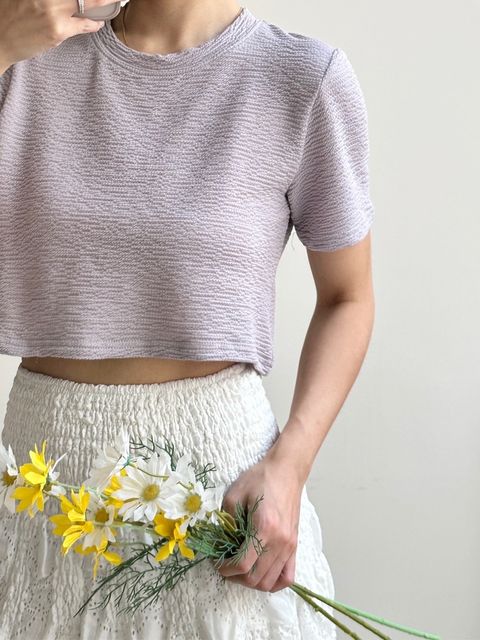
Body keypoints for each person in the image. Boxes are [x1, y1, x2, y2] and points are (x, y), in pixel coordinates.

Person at [0, 0, 375, 637]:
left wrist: (291, 466)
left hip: (218, 489)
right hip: (44, 482)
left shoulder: (300, 78)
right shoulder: (26, 55)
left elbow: (348, 298)